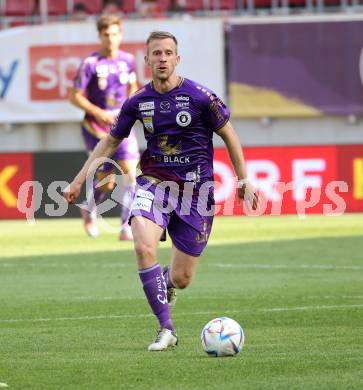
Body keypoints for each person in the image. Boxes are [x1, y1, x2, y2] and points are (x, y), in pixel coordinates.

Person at [64, 31, 259, 351]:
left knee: (182, 278)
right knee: (143, 248)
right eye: (157, 53)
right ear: (147, 61)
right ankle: (166, 328)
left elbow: (229, 134)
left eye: (168, 53)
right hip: (154, 184)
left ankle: (167, 283)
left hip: (196, 195)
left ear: (177, 59)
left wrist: (243, 179)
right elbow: (109, 142)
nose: (163, 58)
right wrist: (78, 180)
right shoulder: (139, 101)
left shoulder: (200, 97)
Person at [69, 15, 139, 240]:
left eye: (115, 34)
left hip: (122, 124)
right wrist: (99, 113)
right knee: (107, 181)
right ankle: (89, 209)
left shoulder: (128, 60)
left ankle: (126, 227)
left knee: (132, 174)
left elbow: (133, 86)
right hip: (96, 126)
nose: (111, 38)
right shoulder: (91, 63)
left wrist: (131, 105)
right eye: (106, 34)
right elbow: (74, 96)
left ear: (121, 35)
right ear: (100, 36)